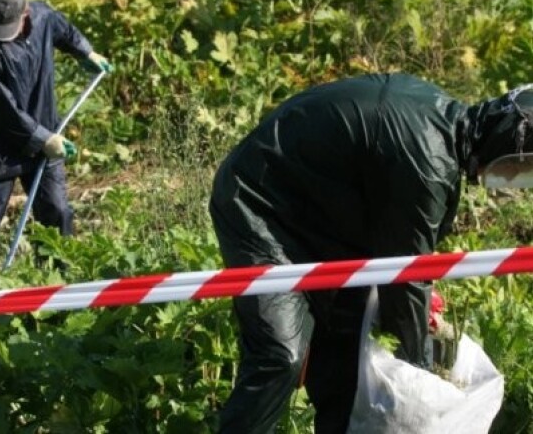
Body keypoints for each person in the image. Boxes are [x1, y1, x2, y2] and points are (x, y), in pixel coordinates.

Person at [208, 73, 533, 433]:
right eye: (520, 168)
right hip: (259, 206)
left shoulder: (442, 128)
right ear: (509, 142)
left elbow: (405, 262)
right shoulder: (427, 158)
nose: (515, 180)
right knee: (280, 356)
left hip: (324, 223)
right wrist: (424, 368)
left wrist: (421, 314)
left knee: (343, 356)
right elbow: (404, 278)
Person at [0, 0, 112, 255]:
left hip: (44, 137)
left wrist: (85, 52)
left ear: (25, 14)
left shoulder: (42, 16)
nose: (1, 36)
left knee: (56, 212)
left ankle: (57, 277)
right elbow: (5, 113)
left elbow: (63, 29)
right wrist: (43, 138)